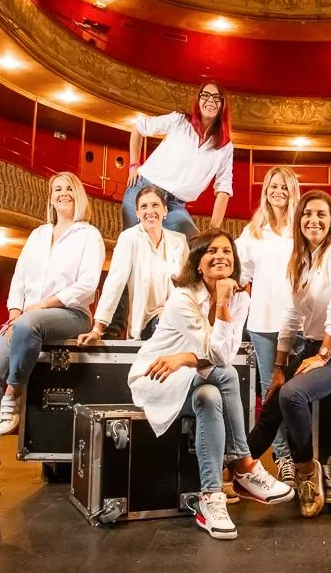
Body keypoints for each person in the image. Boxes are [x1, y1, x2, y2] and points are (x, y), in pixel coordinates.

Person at [128, 229, 294, 540]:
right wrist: (219, 306)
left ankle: (211, 498)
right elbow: (219, 356)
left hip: (196, 379)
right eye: (212, 251)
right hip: (155, 377)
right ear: (198, 264)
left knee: (208, 396)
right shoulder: (182, 298)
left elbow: (225, 354)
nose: (221, 256)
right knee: (227, 375)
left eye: (227, 251)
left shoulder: (240, 298)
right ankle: (244, 464)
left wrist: (184, 358)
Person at [0, 172, 105, 488]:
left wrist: (36, 309)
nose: (62, 193)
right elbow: (20, 279)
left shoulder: (88, 235)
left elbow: (87, 285)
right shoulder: (37, 235)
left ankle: (14, 392)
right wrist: (14, 314)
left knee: (26, 326)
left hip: (70, 314)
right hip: (26, 319)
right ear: (50, 198)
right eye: (56, 189)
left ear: (78, 196)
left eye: (69, 188)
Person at [246, 190, 331, 518]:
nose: (313, 220)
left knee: (293, 397)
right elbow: (290, 316)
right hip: (316, 350)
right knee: (272, 404)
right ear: (299, 221)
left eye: (321, 215)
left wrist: (325, 354)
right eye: (307, 215)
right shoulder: (301, 261)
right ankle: (236, 470)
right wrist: (279, 367)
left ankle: (306, 472)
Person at [235, 166, 301, 486]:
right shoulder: (254, 230)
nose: (278, 191)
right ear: (266, 190)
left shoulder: (300, 227)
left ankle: (303, 455)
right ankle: (282, 456)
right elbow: (240, 272)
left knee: (296, 391)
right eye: (273, 186)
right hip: (262, 321)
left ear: (292, 191)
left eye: (284, 187)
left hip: (297, 321)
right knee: (269, 390)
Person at [76, 186, 188, 344]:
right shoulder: (129, 239)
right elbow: (115, 281)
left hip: (178, 318)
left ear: (165, 210)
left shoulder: (179, 240)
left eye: (155, 205)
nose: (150, 211)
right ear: (137, 213)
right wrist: (97, 329)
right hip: (148, 324)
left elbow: (189, 286)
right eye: (144, 206)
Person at [124, 81, 234, 240]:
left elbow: (224, 188)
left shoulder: (225, 147)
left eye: (217, 98)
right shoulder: (179, 121)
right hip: (143, 190)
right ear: (198, 100)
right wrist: (134, 165)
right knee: (133, 244)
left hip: (175, 206)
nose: (211, 100)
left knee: (195, 249)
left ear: (223, 105)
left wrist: (213, 230)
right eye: (205, 95)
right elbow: (139, 128)